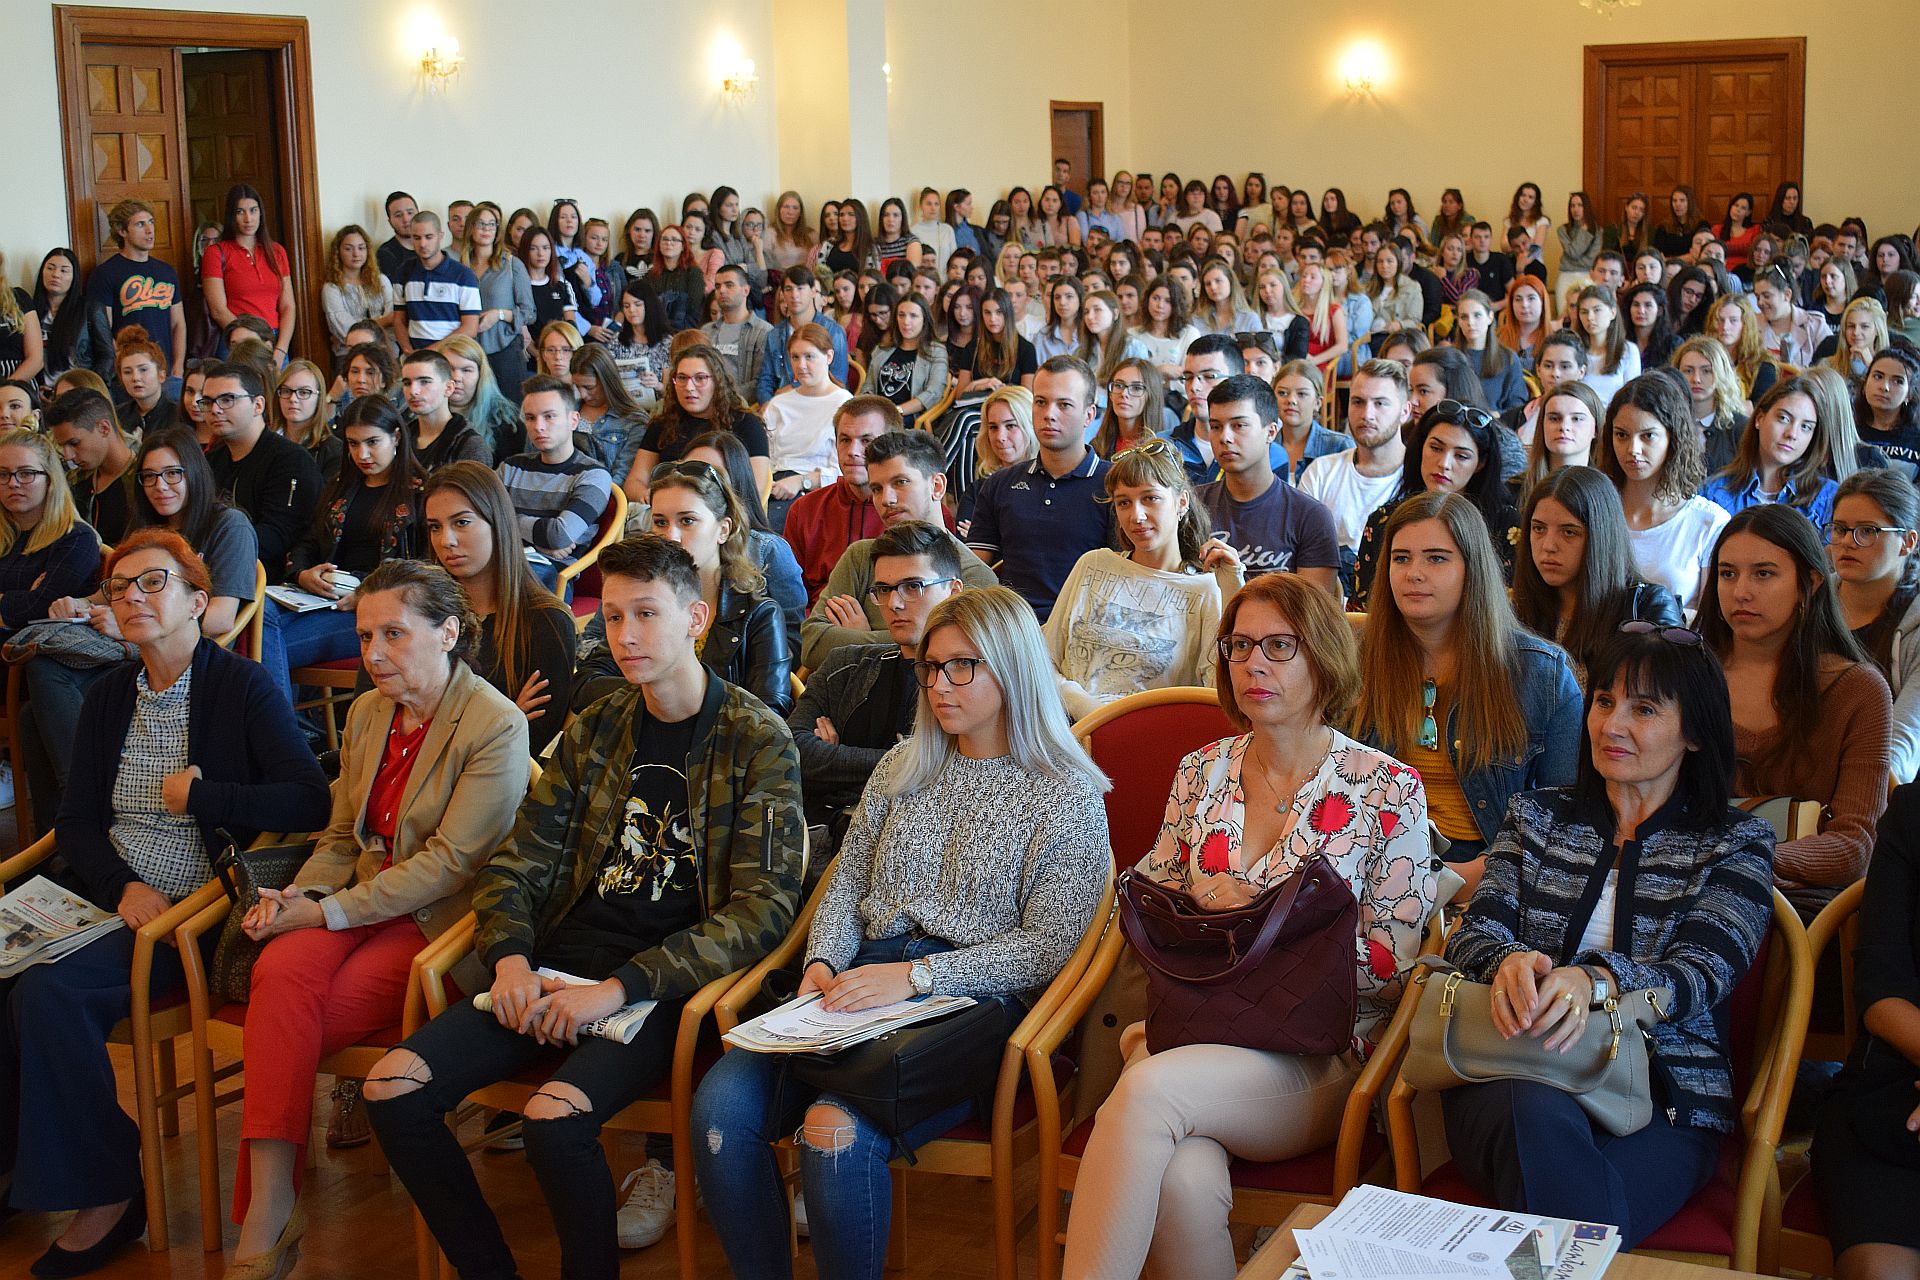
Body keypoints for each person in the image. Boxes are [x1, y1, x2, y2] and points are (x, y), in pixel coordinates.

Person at [364, 533, 805, 1280]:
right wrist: (507, 961)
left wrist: (617, 989)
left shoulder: (757, 737)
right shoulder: (597, 726)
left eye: (646, 615)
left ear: (696, 619)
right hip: (556, 966)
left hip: (663, 986)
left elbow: (762, 910)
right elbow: (518, 863)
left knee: (552, 1120)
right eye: (612, 616)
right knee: (391, 1089)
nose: (624, 636)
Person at [693, 584, 1109, 1280]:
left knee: (833, 1131)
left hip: (972, 1000)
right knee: (719, 1111)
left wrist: (918, 977)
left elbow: (1048, 948)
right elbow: (847, 882)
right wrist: (822, 960)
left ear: (1012, 668)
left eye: (962, 667)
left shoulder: (1065, 790)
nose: (939, 685)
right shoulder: (903, 763)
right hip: (861, 980)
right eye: (930, 667)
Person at [1061, 572, 1436, 1280]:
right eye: (1238, 646)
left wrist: (1268, 924)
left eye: (1277, 647)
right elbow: (1145, 902)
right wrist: (1197, 912)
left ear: (1323, 657)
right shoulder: (1202, 770)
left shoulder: (1388, 789)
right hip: (1196, 1028)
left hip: (1316, 1053)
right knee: (1181, 1181)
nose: (1252, 663)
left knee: (1145, 1091)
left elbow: (1391, 965)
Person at [5, 528, 328, 1277]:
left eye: (153, 583)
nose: (133, 598)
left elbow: (309, 798)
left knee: (49, 997)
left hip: (192, 915)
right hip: (113, 896)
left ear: (197, 600)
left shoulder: (239, 685)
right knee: (5, 977)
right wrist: (122, 886)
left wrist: (205, 795)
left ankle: (111, 1196)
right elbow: (77, 819)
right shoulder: (111, 690)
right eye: (120, 588)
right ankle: (13, 1173)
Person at [225, 560, 530, 1277]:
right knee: (279, 967)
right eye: (365, 636)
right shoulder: (367, 713)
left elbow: (450, 866)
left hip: (437, 926)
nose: (374, 655)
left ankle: (265, 1213)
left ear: (448, 633)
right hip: (359, 901)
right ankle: (273, 1201)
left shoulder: (494, 723)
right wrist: (294, 899)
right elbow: (340, 839)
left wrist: (324, 912)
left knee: (286, 1020)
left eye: (395, 634)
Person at [1439, 624, 1773, 1248]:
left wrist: (1598, 979)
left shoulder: (1736, 843)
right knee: (1539, 1122)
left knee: (1575, 1218)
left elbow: (1701, 971)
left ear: (1695, 732)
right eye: (1603, 701)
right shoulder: (1536, 818)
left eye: (1644, 709)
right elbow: (1475, 932)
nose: (1612, 724)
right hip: (1513, 1073)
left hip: (1664, 1099)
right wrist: (1510, 960)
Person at [24, 424, 260, 835]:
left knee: (46, 676)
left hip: (189, 656)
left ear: (194, 473)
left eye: (172, 473)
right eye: (149, 476)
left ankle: (82, 807)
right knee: (32, 711)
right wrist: (79, 605)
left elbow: (221, 618)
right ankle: (64, 833)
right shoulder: (147, 530)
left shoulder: (227, 524)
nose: (160, 485)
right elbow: (114, 591)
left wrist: (129, 625)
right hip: (139, 652)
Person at [1353, 490, 1582, 890]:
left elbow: (1565, 822)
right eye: (1401, 558)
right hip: (1370, 864)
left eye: (1436, 558)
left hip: (1491, 872)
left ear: (1471, 568)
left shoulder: (1542, 674)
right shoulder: (1356, 660)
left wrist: (1461, 880)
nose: (1414, 573)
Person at [1699, 504, 1892, 898]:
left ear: (1811, 582)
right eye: (1727, 573)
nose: (1741, 591)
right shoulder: (1685, 674)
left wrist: (1749, 858)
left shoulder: (1859, 690)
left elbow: (1855, 844)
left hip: (1791, 903)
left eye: (1764, 573)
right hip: (1672, 883)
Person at [788, 517, 965, 840]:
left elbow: (952, 773)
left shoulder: (970, 680)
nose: (894, 603)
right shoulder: (845, 665)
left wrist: (838, 762)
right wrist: (905, 760)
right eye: (883, 589)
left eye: (913, 587)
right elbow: (793, 751)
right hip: (825, 838)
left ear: (952, 591)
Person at [1044, 438, 1235, 718]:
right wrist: (1082, 705)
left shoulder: (1205, 589)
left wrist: (1234, 588)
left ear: (1181, 501)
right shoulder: (1093, 564)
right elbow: (1044, 658)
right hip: (1068, 728)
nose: (1137, 515)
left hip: (1151, 738)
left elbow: (1217, 692)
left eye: (1150, 498)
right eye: (1124, 502)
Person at [263, 394, 426, 708]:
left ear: (396, 436)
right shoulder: (341, 486)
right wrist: (303, 572)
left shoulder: (419, 493)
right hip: (321, 596)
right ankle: (287, 734)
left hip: (373, 608)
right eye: (352, 444)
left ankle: (281, 738)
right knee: (260, 615)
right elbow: (308, 542)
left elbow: (420, 568)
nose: (362, 454)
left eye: (371, 442)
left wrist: (365, 589)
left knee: (258, 645)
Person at [802, 429, 998, 670]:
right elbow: (812, 645)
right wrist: (903, 639)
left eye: (900, 482)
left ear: (937, 486)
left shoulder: (975, 576)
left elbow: (950, 652)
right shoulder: (859, 556)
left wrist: (859, 639)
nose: (887, 499)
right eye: (877, 488)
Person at [422, 463, 578, 752]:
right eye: (435, 527)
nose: (446, 541)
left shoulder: (547, 621)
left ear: (498, 522)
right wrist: (503, 720)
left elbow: (529, 747)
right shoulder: (425, 616)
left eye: (462, 522)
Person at [966, 356, 1114, 621]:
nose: (1049, 414)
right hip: (1014, 630)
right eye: (1041, 402)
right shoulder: (1000, 484)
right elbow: (974, 570)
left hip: (1089, 630)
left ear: (1089, 415)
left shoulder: (1115, 484)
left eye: (1064, 405)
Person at [1513, 465, 1682, 683]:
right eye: (1538, 528)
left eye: (1569, 532)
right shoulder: (1520, 610)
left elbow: (1666, 703)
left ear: (1600, 536)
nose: (1548, 545)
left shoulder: (1645, 608)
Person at [1353, 400, 1523, 608]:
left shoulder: (1505, 523)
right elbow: (1363, 609)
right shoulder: (1384, 519)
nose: (1444, 463)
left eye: (1461, 456)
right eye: (1435, 448)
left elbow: (1510, 609)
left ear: (1480, 463)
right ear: (1420, 448)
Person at [1190, 374, 1341, 595]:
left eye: (1239, 425)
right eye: (1216, 427)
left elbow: (1313, 618)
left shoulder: (1310, 516)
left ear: (1271, 431)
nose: (1225, 437)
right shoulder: (1192, 507)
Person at [1596, 373, 1728, 615]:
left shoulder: (1708, 521)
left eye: (1648, 436)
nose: (1633, 450)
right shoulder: (1595, 511)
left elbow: (1714, 620)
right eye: (1621, 435)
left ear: (1673, 438)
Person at [1827, 467, 1920, 785]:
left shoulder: (1915, 623)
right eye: (1840, 529)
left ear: (1907, 542)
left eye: (1867, 531)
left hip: (1877, 780)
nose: (1847, 543)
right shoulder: (1808, 600)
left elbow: (1905, 737)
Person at [1299, 358, 1415, 599]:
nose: (1367, 414)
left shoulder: (1419, 478)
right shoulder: (1320, 472)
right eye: (1358, 402)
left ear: (1405, 411)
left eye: (1380, 403)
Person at [497, 375, 615, 584]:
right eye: (531, 418)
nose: (539, 426)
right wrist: (537, 543)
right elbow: (481, 517)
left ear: (573, 420)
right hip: (501, 561)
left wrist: (506, 523)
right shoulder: (510, 467)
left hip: (551, 574)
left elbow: (558, 536)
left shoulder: (594, 475)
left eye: (549, 416)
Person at [783, 397, 896, 603]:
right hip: (815, 626)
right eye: (845, 440)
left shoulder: (915, 510)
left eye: (866, 441)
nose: (853, 452)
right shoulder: (804, 510)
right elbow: (791, 598)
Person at [627, 344, 772, 500]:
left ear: (718, 381)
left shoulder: (747, 424)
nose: (689, 387)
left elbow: (756, 490)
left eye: (700, 378)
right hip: (666, 510)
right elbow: (634, 482)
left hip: (724, 515)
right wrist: (646, 495)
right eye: (682, 378)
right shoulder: (662, 424)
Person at [0, 425, 103, 639]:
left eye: (26, 473)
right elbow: (29, 605)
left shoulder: (77, 538)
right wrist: (22, 597)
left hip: (31, 652)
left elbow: (40, 607)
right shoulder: (6, 533)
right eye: (3, 474)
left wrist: (25, 602)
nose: (13, 483)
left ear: (50, 480)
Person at [1701, 374, 1844, 527]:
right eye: (1784, 418)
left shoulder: (1828, 497)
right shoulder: (1713, 491)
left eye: (1805, 427)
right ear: (1759, 419)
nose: (1792, 434)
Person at [762, 324, 853, 531]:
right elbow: (766, 458)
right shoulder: (779, 404)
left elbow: (843, 471)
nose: (801, 365)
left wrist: (802, 481)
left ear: (829, 357)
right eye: (795, 357)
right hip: (776, 485)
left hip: (818, 488)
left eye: (809, 357)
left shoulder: (843, 404)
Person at [85, 200, 184, 388]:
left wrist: (178, 368)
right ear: (122, 231)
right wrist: (125, 367)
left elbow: (178, 324)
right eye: (140, 224)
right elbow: (103, 330)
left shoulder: (167, 272)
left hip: (165, 372)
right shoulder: (105, 274)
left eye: (151, 222)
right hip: (129, 375)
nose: (150, 230)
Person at [201, 184, 295, 363]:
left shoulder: (276, 251)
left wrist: (281, 349)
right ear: (231, 215)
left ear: (261, 213)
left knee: (277, 390)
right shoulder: (216, 252)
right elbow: (218, 310)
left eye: (253, 210)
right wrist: (251, 341)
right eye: (240, 212)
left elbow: (288, 306)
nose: (248, 218)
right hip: (238, 341)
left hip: (274, 339)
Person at [459, 200, 535, 403]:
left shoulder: (511, 264)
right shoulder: (458, 268)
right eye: (480, 224)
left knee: (509, 414)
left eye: (491, 224)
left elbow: (530, 312)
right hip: (467, 352)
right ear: (471, 228)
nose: (486, 229)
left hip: (505, 351)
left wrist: (499, 314)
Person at [45, 388, 135, 546]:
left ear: (104, 428)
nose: (68, 455)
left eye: (74, 443)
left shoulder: (145, 479)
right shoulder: (73, 480)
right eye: (62, 446)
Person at [755, 267, 850, 403]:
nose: (794, 295)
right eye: (788, 289)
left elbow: (838, 380)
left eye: (800, 288)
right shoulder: (774, 334)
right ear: (782, 293)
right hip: (781, 407)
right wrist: (768, 405)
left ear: (813, 291)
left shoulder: (833, 332)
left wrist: (793, 389)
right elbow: (765, 380)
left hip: (820, 404)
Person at [440, 333, 526, 467]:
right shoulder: (416, 416)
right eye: (448, 368)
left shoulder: (507, 423)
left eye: (466, 370)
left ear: (480, 375)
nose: (456, 377)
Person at [398, 348, 490, 473]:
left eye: (424, 382)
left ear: (448, 388)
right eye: (407, 383)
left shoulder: (469, 445)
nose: (413, 391)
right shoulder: (399, 438)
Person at [567, 344, 648, 482]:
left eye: (589, 387)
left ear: (607, 382)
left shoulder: (634, 421)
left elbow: (623, 476)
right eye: (577, 386)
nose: (582, 394)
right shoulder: (567, 411)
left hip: (607, 496)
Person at [1671, 334, 1750, 474]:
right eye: (1688, 371)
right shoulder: (1667, 422)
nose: (1696, 379)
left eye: (1706, 371)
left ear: (1721, 374)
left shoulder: (1740, 427)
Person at [1516, 380, 1605, 500]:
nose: (1564, 427)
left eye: (1577, 419)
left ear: (1595, 429)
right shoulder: (1515, 489)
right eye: (1554, 418)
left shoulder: (1609, 490)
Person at [320, 224, 395, 357]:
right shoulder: (332, 289)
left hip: (386, 351)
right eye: (349, 249)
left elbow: (394, 318)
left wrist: (387, 321)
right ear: (338, 252)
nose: (356, 254)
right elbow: (348, 331)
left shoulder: (381, 280)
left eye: (361, 248)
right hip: (350, 355)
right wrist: (384, 321)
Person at [700, 265, 773, 394]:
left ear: (746, 290)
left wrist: (725, 399)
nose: (721, 290)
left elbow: (760, 381)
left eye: (729, 285)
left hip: (742, 405)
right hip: (706, 401)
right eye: (717, 286)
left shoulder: (764, 331)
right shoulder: (706, 331)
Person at [1451, 290, 1527, 412]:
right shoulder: (1450, 358)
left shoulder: (1508, 358)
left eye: (1477, 315)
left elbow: (1517, 405)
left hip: (1496, 425)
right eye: (1464, 317)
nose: (1470, 322)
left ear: (1490, 317)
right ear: (1458, 321)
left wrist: (1498, 415)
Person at [1569, 284, 1643, 407]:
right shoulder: (1573, 350)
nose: (1590, 317)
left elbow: (1632, 397)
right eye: (1584, 312)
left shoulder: (1628, 351)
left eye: (1597, 310)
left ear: (1612, 312)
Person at [270, 357, 339, 482]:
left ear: (319, 398)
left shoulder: (333, 450)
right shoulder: (267, 444)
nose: (293, 399)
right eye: (286, 391)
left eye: (303, 392)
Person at [1856, 345, 1920, 479]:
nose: (1884, 387)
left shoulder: (1916, 439)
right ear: (1864, 384)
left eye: (1898, 381)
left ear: (1909, 395)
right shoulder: (1848, 431)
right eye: (1878, 376)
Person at [1751, 263, 1831, 367]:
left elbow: (1831, 368)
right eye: (1757, 297)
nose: (1760, 303)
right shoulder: (1751, 325)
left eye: (1766, 296)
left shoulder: (1815, 326)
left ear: (1787, 295)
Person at [1707, 293, 1779, 406]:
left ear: (1745, 324)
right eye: (1720, 320)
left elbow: (1761, 408)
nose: (1725, 327)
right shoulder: (1705, 358)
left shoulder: (1764, 365)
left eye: (1733, 320)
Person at [111, 325, 179, 436]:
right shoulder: (116, 416)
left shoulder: (178, 415)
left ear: (161, 375)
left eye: (143, 370)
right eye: (127, 372)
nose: (135, 378)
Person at [375, 192, 418, 281]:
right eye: (398, 215)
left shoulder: (430, 247)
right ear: (390, 221)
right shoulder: (386, 254)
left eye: (410, 213)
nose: (406, 219)